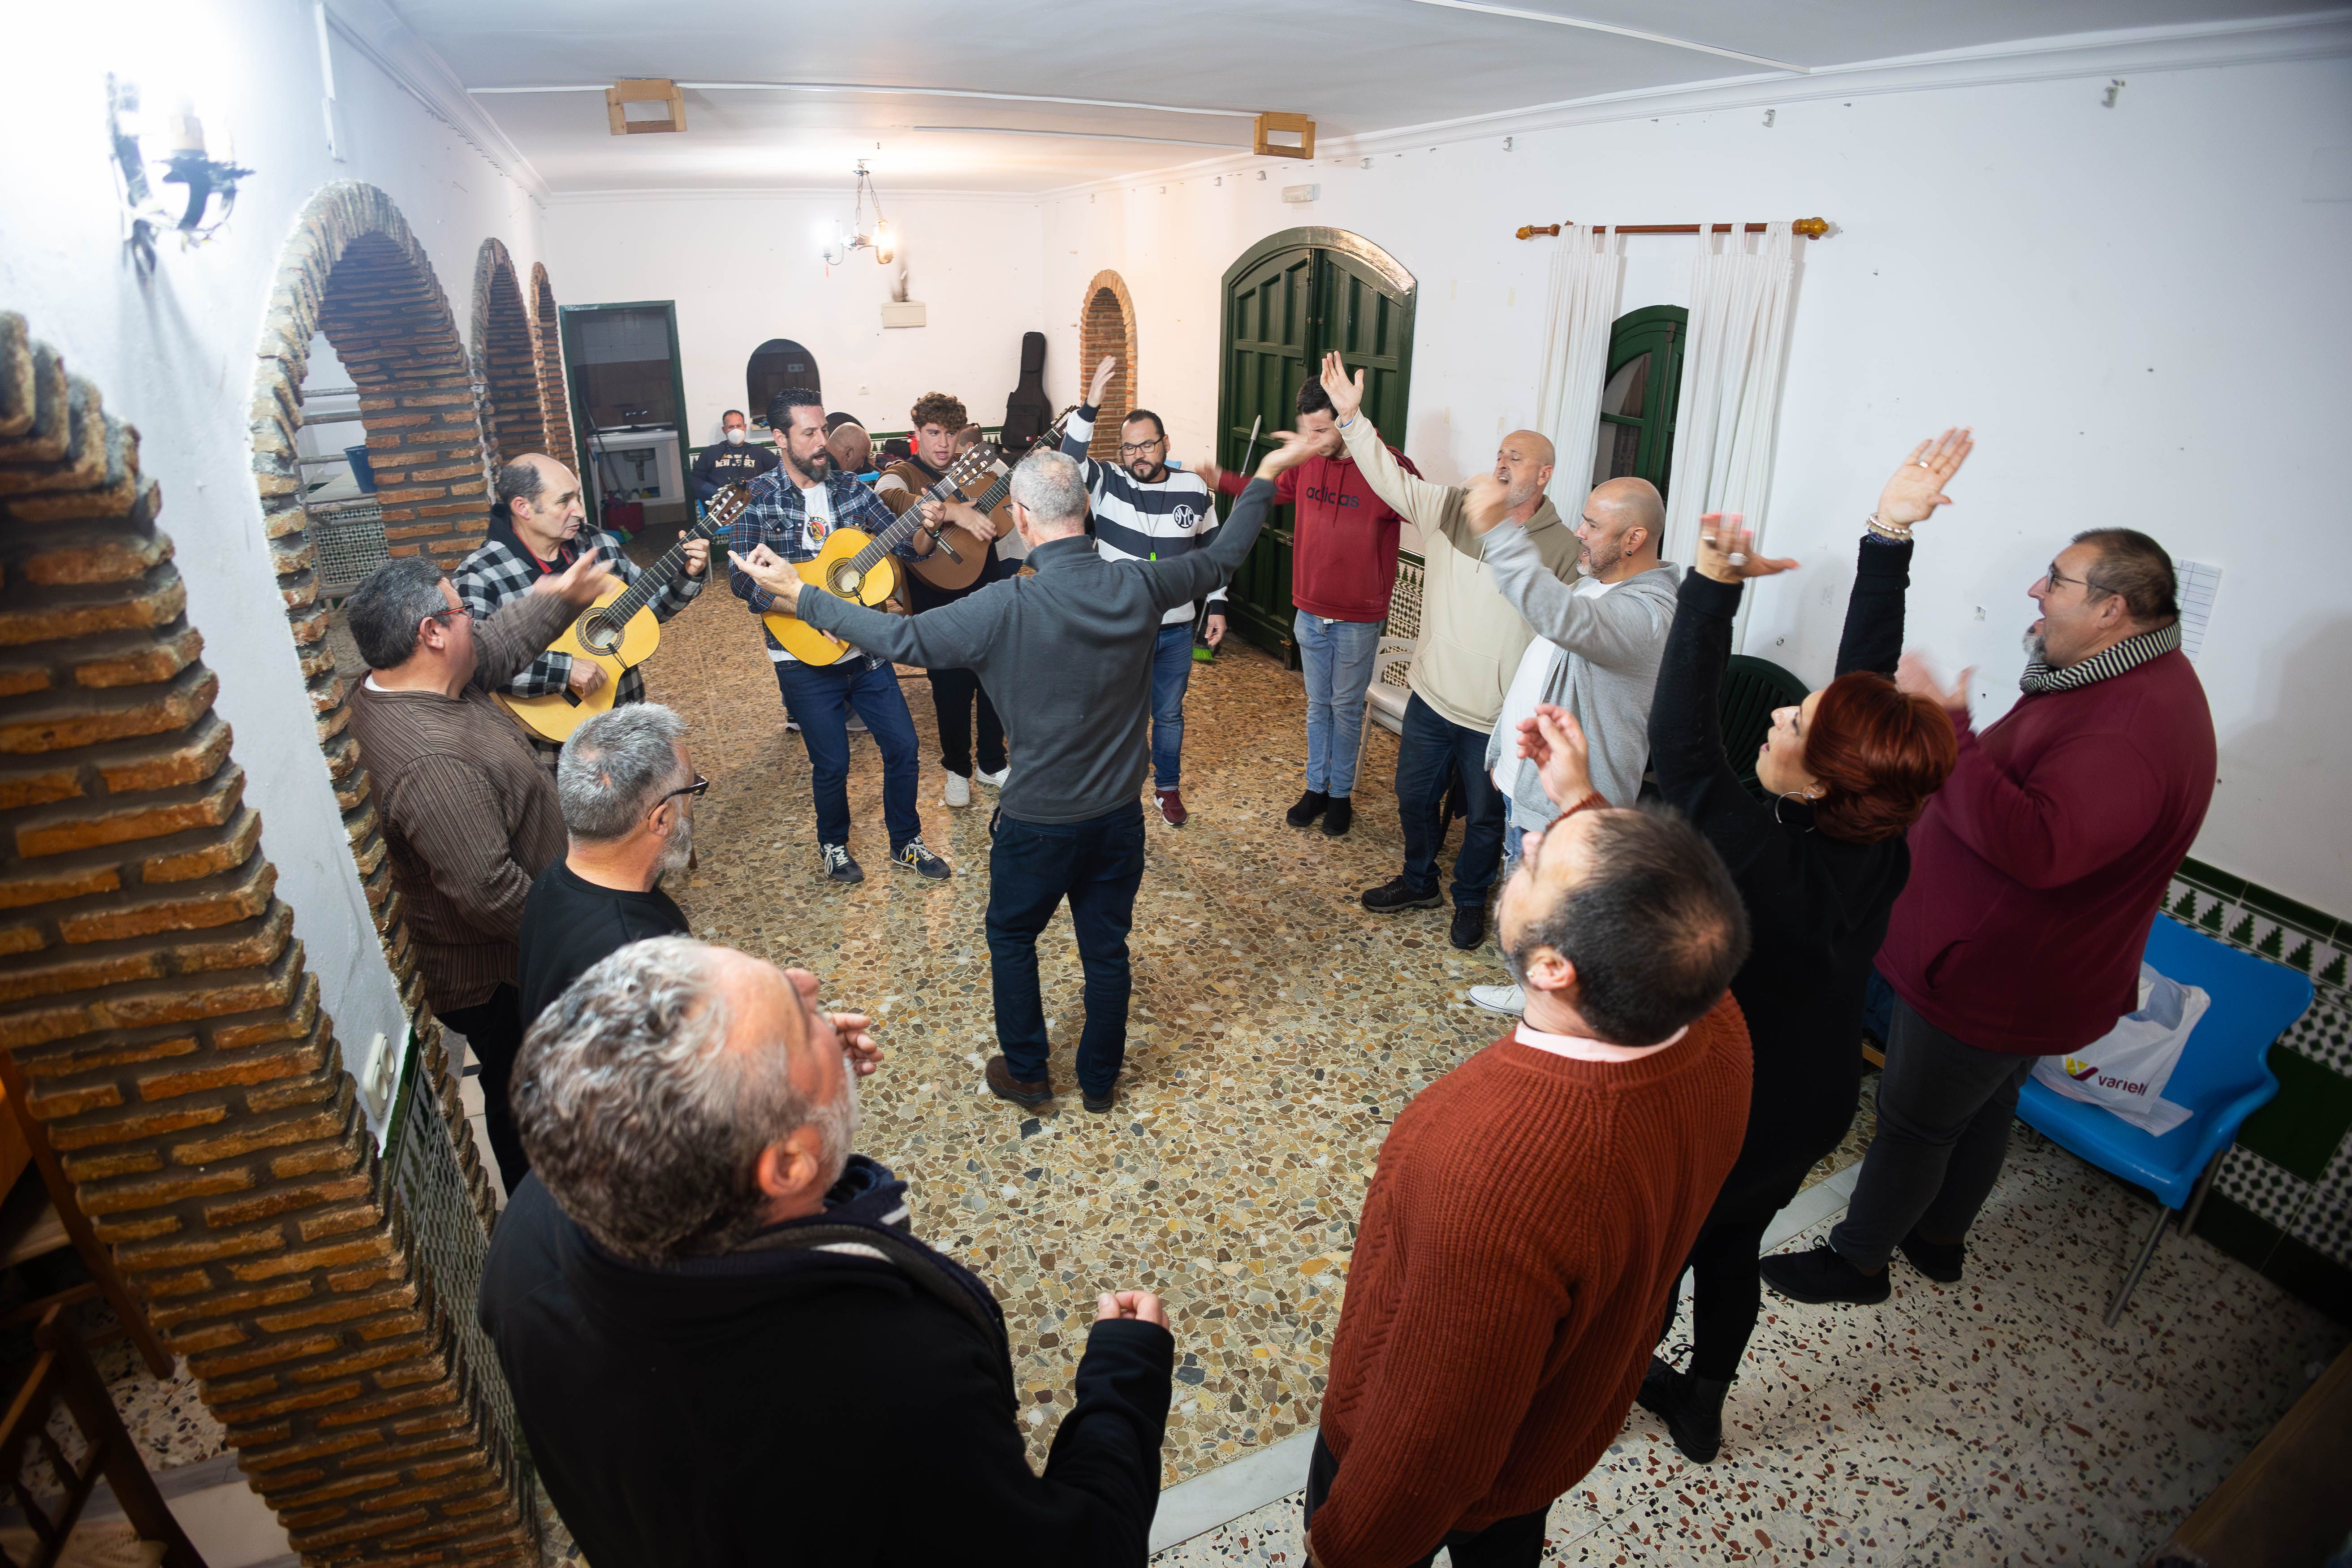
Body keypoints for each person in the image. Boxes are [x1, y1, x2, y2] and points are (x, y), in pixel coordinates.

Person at [481, 937, 1174, 1568]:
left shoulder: (530, 1232)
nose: (808, 980)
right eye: (794, 1009)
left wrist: (808, 1091)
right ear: (785, 1167)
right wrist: (1124, 1379)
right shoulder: (893, 1382)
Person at [731, 436, 1308, 1114]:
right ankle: (1099, 1081)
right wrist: (1266, 473)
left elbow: (900, 640)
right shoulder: (1142, 583)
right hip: (1119, 817)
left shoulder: (1004, 605)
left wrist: (801, 593)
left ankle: (1029, 1072)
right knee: (1107, 948)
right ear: (1086, 508)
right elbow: (1220, 556)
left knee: (1011, 935)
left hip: (1038, 823)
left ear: (1024, 519)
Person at [1596, 435, 1966, 1463]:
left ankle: (1617, 1372)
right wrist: (1885, 537)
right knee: (1732, 1241)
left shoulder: (1761, 854)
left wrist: (1708, 590)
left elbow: (1678, 738)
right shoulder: (1874, 824)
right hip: (1810, 1098)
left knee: (1657, 1252)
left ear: (1817, 776)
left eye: (1793, 719)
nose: (1777, 708)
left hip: (1723, 1101)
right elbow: (1865, 687)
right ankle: (1703, 1399)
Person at [1762, 497, 2217, 1306]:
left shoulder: (2130, 722)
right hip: (2024, 969)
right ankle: (1937, 1239)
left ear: (2112, 608)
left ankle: (1855, 1261)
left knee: (1915, 1119)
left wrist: (1947, 725)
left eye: (2057, 581)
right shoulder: (2124, 680)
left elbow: (2039, 847)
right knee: (1983, 1105)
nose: (2036, 593)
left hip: (1993, 974)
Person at [1303, 793, 1753, 1568]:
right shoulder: (1716, 1028)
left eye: (1538, 859)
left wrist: (1340, 1554)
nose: (1530, 835)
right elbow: (1648, 912)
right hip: (1551, 1435)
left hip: (1418, 1479)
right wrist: (1582, 795)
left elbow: (1427, 1444)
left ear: (1550, 966)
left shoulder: (1486, 1173)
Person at [343, 549, 611, 1191]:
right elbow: (490, 894)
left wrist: (563, 597)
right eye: (461, 610)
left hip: (521, 948)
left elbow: (490, 647)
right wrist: (586, 929)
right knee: (526, 1091)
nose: (474, 622)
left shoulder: (418, 679)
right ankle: (543, 1210)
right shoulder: (431, 761)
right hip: (501, 975)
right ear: (431, 633)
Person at [1430, 391, 1681, 1012]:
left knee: (1550, 911)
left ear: (1636, 537)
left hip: (1570, 802)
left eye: (1594, 524)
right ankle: (1528, 993)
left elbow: (1553, 612)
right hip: (1532, 781)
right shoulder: (1602, 583)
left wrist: (1497, 528)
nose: (1578, 531)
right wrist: (1502, 753)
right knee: (1528, 889)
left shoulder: (1645, 612)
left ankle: (1543, 1010)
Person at [1330, 359, 1584, 953]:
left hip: (1496, 718)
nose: (1502, 462)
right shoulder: (1451, 507)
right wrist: (1351, 418)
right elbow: (1389, 480)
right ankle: (1419, 879)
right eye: (1500, 452)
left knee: (1486, 821)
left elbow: (1570, 635)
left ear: (1544, 473)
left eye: (1517, 457)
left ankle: (1471, 899)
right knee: (1412, 796)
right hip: (1432, 696)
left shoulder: (1563, 549)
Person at [724, 387, 983, 885]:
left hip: (867, 648)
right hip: (800, 656)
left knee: (904, 748)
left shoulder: (852, 490)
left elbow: (910, 548)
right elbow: (742, 582)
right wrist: (806, 605)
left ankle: (905, 842)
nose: (822, 441)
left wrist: (928, 520)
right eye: (809, 433)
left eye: (824, 429)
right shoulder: (756, 498)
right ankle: (834, 845)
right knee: (833, 764)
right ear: (779, 438)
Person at [1198, 364, 1420, 839]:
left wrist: (1366, 439)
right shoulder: (1308, 460)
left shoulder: (1381, 463)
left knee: (1344, 707)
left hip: (1358, 617)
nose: (1313, 440)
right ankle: (1315, 787)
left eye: (1321, 430)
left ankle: (1340, 796)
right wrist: (1223, 479)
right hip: (1308, 609)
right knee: (1317, 705)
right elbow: (1274, 491)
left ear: (1344, 418)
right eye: (1306, 430)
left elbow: (1415, 497)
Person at [453, 452, 709, 765]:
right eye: (565, 501)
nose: (580, 511)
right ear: (523, 508)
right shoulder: (481, 574)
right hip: (551, 749)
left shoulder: (596, 544)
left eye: (578, 496)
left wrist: (687, 574)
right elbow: (469, 668)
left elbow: (648, 612)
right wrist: (563, 671)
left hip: (625, 718)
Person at [1060, 355, 1225, 826]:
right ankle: (1112, 790)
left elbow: (1213, 553)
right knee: (1114, 715)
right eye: (1129, 448)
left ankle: (1166, 789)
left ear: (1164, 444)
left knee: (1168, 716)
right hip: (1120, 627)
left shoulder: (1194, 488)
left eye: (1147, 446)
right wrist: (1090, 405)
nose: (1138, 456)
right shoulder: (1108, 483)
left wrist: (1216, 604)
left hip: (1174, 630)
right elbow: (1069, 461)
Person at [516, 703, 701, 1026]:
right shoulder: (640, 959)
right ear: (661, 819)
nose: (692, 804)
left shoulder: (555, 878)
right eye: (693, 789)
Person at [874, 392, 1012, 810]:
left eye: (951, 434)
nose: (943, 444)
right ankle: (957, 769)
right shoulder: (901, 473)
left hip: (985, 586)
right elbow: (889, 498)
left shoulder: (975, 466)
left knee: (992, 679)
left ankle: (992, 761)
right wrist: (954, 513)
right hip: (936, 599)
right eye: (933, 433)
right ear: (916, 434)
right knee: (949, 688)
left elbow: (1012, 483)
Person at [689, 408, 779, 502]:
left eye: (739, 426)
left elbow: (781, 468)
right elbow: (696, 480)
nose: (736, 430)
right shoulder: (711, 452)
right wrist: (718, 495)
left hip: (753, 504)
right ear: (724, 430)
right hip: (722, 506)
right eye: (731, 427)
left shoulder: (759, 452)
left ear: (745, 427)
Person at [824, 412, 877, 481]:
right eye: (862, 458)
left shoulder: (814, 468)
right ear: (848, 454)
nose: (862, 465)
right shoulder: (845, 481)